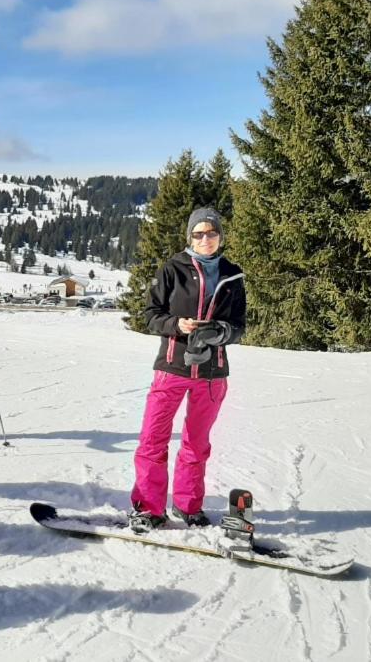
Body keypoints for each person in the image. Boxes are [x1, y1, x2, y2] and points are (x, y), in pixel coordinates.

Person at [130, 207, 246, 531]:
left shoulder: (233, 275)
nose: (205, 239)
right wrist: (177, 324)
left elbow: (239, 325)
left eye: (211, 232)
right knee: (153, 439)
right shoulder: (173, 269)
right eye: (198, 233)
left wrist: (222, 332)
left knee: (197, 444)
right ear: (190, 237)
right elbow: (151, 314)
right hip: (172, 367)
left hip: (212, 374)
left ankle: (188, 506)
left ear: (220, 235)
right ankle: (149, 509)